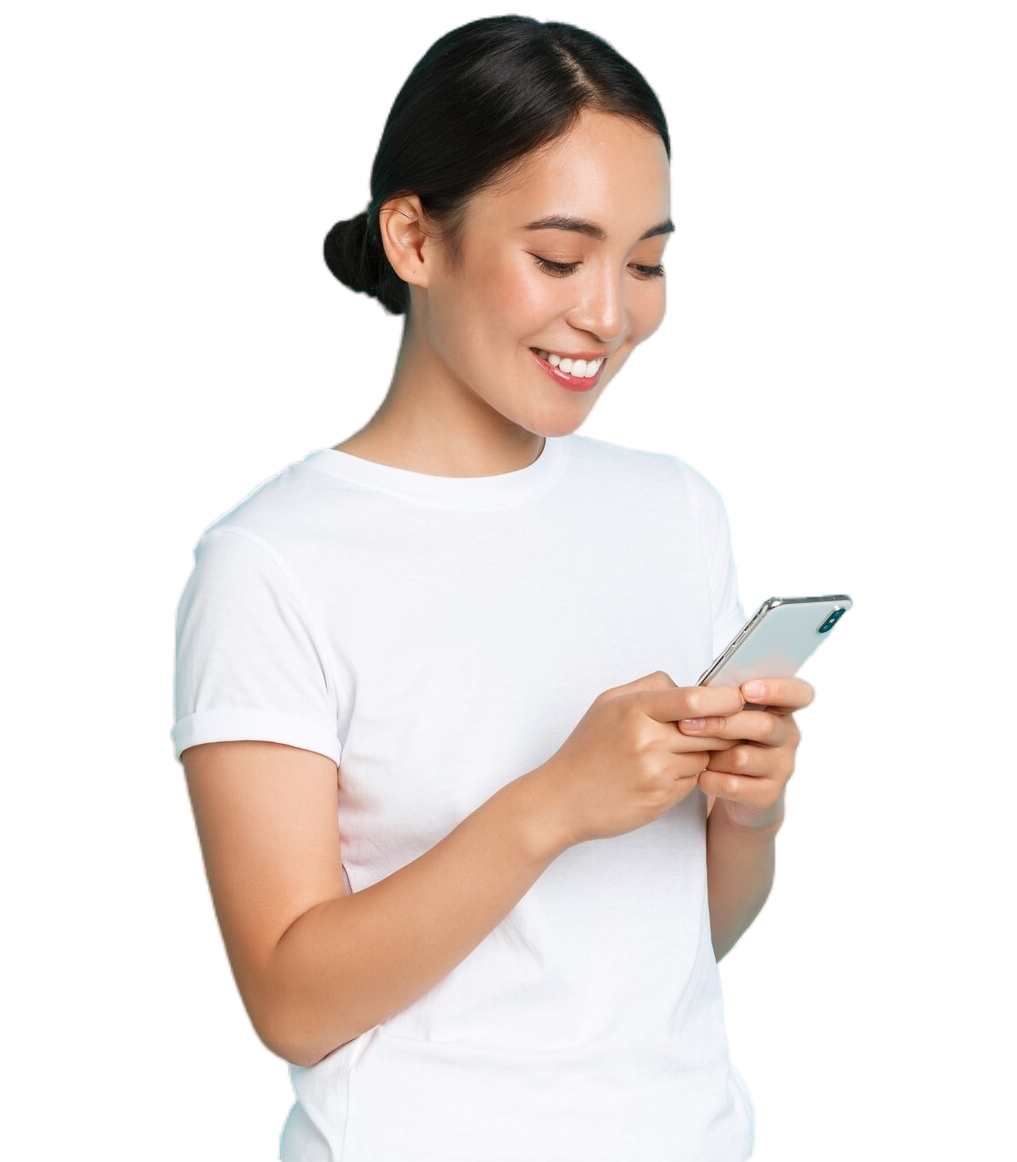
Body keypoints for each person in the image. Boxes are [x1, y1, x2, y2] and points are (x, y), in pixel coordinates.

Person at [171, 15, 814, 1161]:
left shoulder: (673, 508)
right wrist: (552, 803)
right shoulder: (268, 558)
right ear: (414, 237)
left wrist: (748, 812)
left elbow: (688, 941)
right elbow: (290, 1002)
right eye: (560, 259)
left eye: (648, 260)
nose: (608, 315)